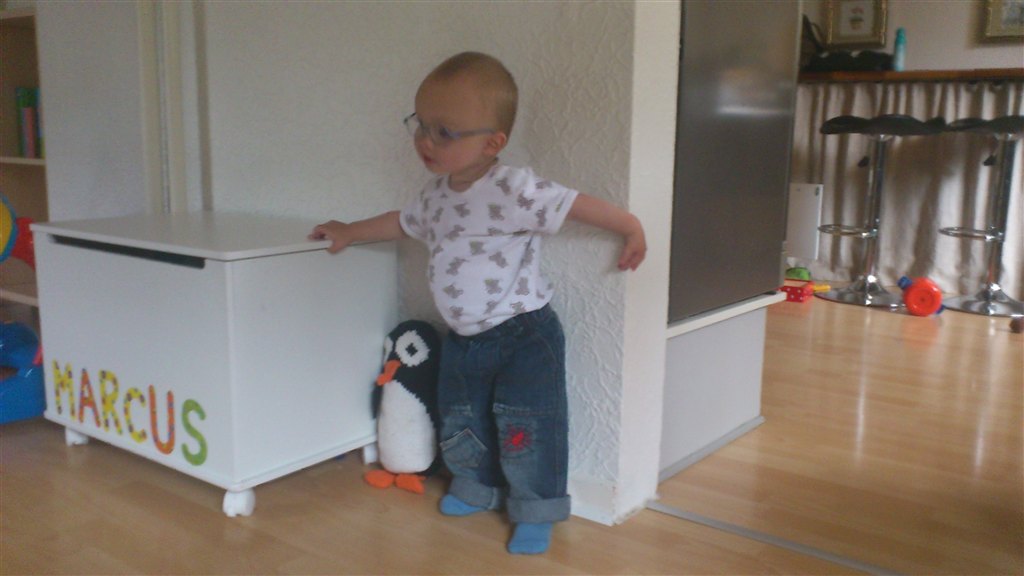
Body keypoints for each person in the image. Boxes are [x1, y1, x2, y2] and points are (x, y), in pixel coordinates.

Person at [310, 52, 646, 555]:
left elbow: (572, 204)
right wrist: (349, 231)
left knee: (527, 426)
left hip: (522, 335)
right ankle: (474, 486)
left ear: (492, 143)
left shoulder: (514, 188)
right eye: (421, 125)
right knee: (461, 416)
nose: (426, 141)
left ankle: (535, 508)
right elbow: (400, 222)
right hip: (464, 338)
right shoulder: (434, 197)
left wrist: (630, 226)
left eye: (444, 132)